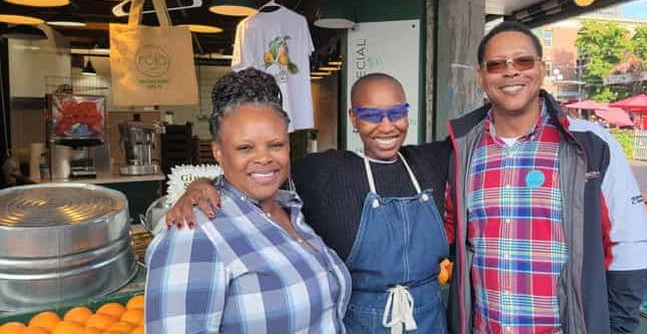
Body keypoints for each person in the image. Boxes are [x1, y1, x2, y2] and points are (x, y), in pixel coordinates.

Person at [166, 73, 451, 333]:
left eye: (396, 112)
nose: (386, 125)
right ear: (353, 117)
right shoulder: (323, 171)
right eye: (371, 115)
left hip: (429, 320)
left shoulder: (430, 161)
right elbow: (255, 173)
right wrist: (201, 185)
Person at [444, 21, 647, 334]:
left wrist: (618, 328)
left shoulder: (590, 145)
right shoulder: (462, 149)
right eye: (496, 64)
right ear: (481, 78)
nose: (511, 72)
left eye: (523, 61)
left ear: (540, 70)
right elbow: (449, 233)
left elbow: (631, 243)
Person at [145, 69, 351, 333]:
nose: (264, 158)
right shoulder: (194, 233)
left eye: (275, 145)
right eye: (245, 148)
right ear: (218, 152)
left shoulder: (294, 210)